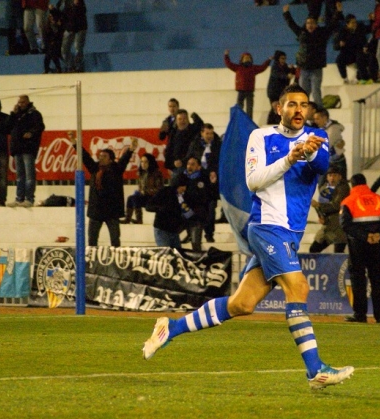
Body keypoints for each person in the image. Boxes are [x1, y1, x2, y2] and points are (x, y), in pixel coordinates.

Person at [142, 84, 355, 390]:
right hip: (268, 226)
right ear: (278, 108)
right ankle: (315, 371)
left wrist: (306, 153)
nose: (299, 110)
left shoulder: (316, 139)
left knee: (242, 304)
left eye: (304, 105)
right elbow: (254, 181)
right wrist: (290, 158)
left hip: (290, 232)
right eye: (292, 104)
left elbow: (321, 165)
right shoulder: (261, 137)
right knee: (299, 286)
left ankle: (171, 328)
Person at [340, 173, 380, 323]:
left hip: (357, 245)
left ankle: (360, 315)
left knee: (358, 279)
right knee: (377, 280)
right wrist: (378, 234)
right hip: (377, 244)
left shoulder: (348, 201)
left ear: (352, 185)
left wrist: (365, 236)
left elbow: (345, 225)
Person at [77, 140, 135, 247]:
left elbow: (124, 160)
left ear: (111, 160)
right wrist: (75, 144)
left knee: (115, 240)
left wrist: (131, 150)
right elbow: (85, 157)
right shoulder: (95, 168)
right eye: (100, 156)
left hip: (112, 211)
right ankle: (92, 260)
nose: (100, 158)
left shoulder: (116, 169)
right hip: (96, 210)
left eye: (104, 156)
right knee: (92, 240)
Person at [282, 2, 342, 105]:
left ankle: (319, 112)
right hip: (304, 68)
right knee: (304, 93)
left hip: (316, 68)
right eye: (308, 23)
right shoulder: (301, 33)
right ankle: (304, 115)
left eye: (312, 23)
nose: (310, 25)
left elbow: (333, 24)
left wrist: (338, 12)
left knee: (316, 92)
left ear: (316, 24)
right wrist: (286, 13)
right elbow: (291, 24)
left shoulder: (322, 33)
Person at [186, 124, 222, 242]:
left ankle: (209, 234)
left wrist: (214, 172)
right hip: (197, 182)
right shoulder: (195, 144)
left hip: (211, 182)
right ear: (202, 133)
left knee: (211, 209)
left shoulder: (217, 145)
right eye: (207, 133)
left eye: (211, 133)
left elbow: (221, 161)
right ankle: (191, 234)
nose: (209, 136)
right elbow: (189, 159)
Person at [7, 95, 45, 207]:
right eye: (19, 102)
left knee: (29, 175)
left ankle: (29, 198)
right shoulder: (16, 115)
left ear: (28, 102)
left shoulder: (34, 114)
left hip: (28, 148)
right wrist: (13, 114)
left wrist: (31, 133)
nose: (21, 104)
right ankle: (19, 198)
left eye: (23, 102)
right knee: (19, 176)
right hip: (17, 148)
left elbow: (40, 127)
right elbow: (7, 126)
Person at [309, 166, 349, 253]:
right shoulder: (324, 189)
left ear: (340, 177)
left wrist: (319, 205)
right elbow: (319, 207)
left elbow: (337, 205)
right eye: (330, 175)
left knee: (338, 253)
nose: (332, 178)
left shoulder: (343, 188)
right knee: (314, 249)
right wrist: (320, 216)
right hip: (328, 226)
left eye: (335, 175)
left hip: (339, 226)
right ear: (327, 177)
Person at [224, 50, 271, 122]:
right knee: (240, 107)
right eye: (245, 58)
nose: (247, 59)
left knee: (249, 108)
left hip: (249, 91)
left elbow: (262, 67)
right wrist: (226, 56)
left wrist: (268, 61)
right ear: (242, 59)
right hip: (241, 90)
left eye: (248, 58)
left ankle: (249, 121)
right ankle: (239, 120)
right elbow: (229, 64)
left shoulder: (253, 68)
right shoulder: (239, 67)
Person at [146, 173, 189, 248]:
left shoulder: (183, 196)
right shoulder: (165, 192)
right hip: (162, 229)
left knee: (178, 254)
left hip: (174, 231)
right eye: (182, 186)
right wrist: (161, 209)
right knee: (166, 254)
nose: (184, 189)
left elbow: (186, 211)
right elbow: (149, 206)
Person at [121, 153, 162, 224]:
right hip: (144, 196)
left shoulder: (156, 174)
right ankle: (128, 218)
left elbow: (159, 190)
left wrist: (146, 191)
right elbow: (141, 187)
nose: (143, 164)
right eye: (142, 162)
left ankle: (139, 219)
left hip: (153, 198)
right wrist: (140, 191)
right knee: (130, 198)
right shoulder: (141, 173)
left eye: (146, 162)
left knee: (135, 198)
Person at [163, 109, 203, 179]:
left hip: (191, 168)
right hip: (175, 169)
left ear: (188, 119)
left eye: (184, 118)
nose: (182, 121)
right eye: (180, 119)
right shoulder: (173, 133)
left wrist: (194, 116)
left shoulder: (193, 131)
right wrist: (170, 165)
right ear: (176, 120)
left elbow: (201, 126)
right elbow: (169, 150)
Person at [333, 14, 370, 84]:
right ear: (347, 24)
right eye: (352, 22)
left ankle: (363, 78)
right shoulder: (342, 32)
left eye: (355, 22)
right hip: (347, 54)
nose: (355, 24)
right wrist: (339, 45)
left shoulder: (360, 29)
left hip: (359, 52)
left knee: (360, 57)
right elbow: (335, 46)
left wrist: (365, 46)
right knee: (339, 60)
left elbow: (365, 38)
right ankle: (345, 78)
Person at [312, 108, 346, 179]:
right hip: (326, 160)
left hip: (336, 161)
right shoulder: (321, 128)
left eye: (317, 119)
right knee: (321, 184)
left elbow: (327, 144)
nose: (315, 121)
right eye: (314, 119)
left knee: (340, 185)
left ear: (324, 118)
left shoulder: (333, 128)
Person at [55, 0, 87, 73]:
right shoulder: (61, 3)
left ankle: (78, 66)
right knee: (64, 50)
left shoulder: (78, 2)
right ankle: (71, 66)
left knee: (78, 48)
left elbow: (79, 13)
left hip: (79, 27)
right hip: (69, 28)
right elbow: (60, 13)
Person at [266, 50, 295, 125]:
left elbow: (289, 72)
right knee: (276, 108)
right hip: (274, 93)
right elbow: (277, 75)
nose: (283, 60)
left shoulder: (284, 66)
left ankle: (275, 123)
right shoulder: (275, 67)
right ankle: (272, 123)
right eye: (282, 58)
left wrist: (292, 69)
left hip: (280, 92)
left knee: (278, 108)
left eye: (284, 59)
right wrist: (286, 76)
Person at [42, 7, 63, 73]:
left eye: (53, 17)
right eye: (50, 17)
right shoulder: (47, 27)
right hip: (50, 45)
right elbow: (45, 38)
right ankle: (56, 68)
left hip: (56, 44)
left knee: (51, 55)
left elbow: (59, 36)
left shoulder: (58, 26)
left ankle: (48, 69)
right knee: (49, 56)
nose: (52, 18)